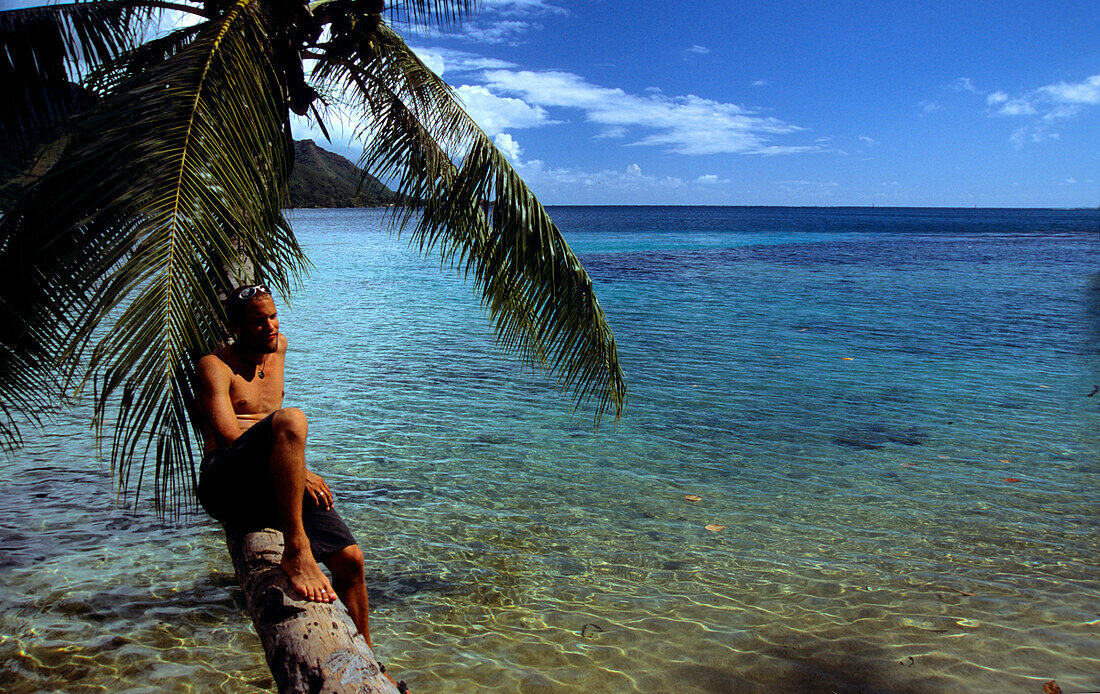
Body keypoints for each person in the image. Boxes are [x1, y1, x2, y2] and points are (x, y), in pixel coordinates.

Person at [194, 284, 376, 647]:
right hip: (226, 481)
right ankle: (297, 551)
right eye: (259, 322)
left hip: (267, 476)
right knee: (292, 419)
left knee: (352, 561)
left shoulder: (279, 348)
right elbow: (230, 436)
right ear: (237, 328)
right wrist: (302, 472)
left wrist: (297, 471)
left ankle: (371, 659)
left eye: (273, 316)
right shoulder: (214, 366)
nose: (271, 327)